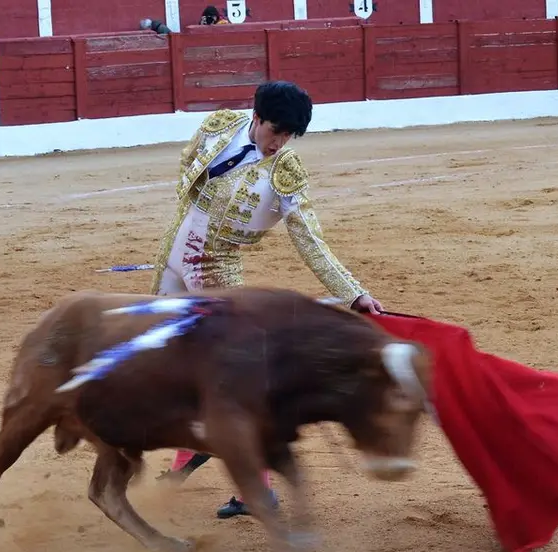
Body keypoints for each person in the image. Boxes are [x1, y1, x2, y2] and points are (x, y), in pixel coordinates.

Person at [148, 80, 383, 519]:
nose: (280, 143)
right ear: (255, 118)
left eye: (290, 136)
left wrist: (352, 293)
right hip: (170, 258)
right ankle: (188, 452)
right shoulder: (219, 125)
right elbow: (187, 176)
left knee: (235, 381)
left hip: (216, 272)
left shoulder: (286, 171)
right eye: (276, 132)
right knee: (168, 366)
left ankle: (257, 490)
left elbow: (309, 238)